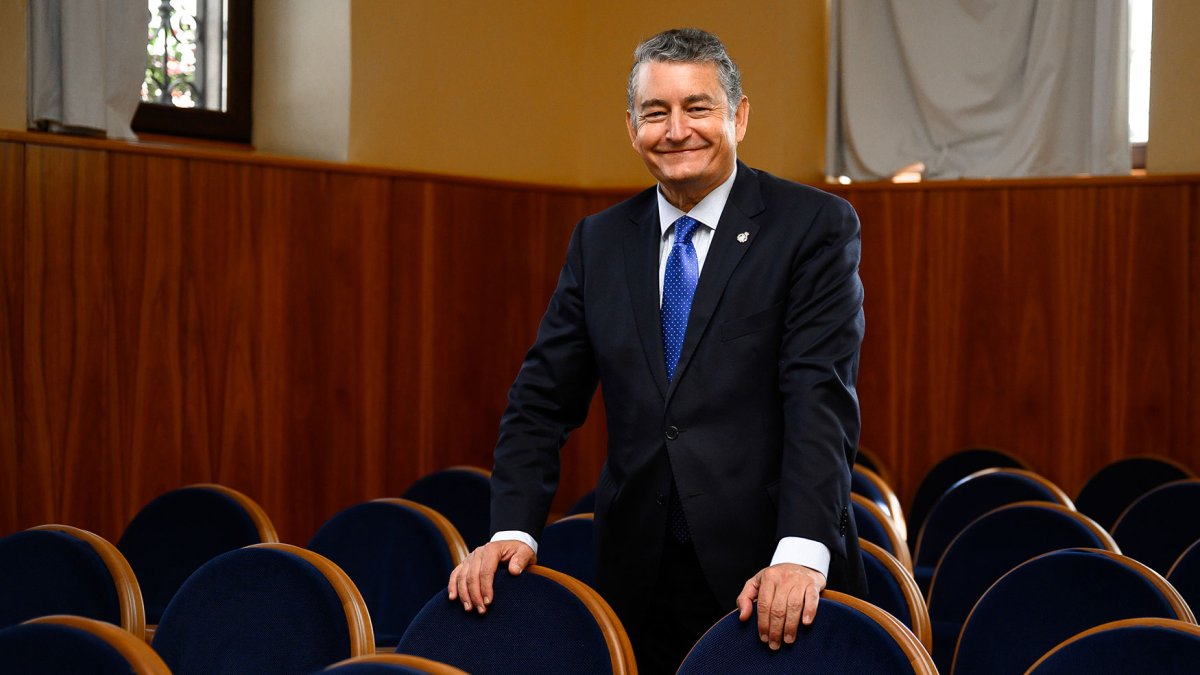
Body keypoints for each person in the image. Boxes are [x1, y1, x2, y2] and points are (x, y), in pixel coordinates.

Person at [448, 27, 866, 674]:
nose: (676, 131)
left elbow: (819, 399)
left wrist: (801, 549)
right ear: (631, 126)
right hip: (635, 579)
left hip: (773, 571)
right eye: (655, 112)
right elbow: (540, 400)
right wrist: (513, 529)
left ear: (739, 115)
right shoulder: (601, 241)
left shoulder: (812, 226)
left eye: (697, 108)